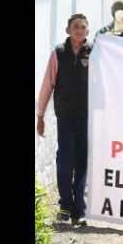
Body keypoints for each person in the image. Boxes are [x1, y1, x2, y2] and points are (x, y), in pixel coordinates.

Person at [37, 14, 93, 227]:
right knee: (65, 160)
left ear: (87, 31)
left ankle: (79, 208)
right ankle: (64, 206)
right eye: (76, 27)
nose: (80, 30)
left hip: (87, 115)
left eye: (83, 27)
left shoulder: (95, 52)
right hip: (66, 115)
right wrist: (40, 115)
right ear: (68, 30)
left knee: (82, 161)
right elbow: (47, 84)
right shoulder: (58, 53)